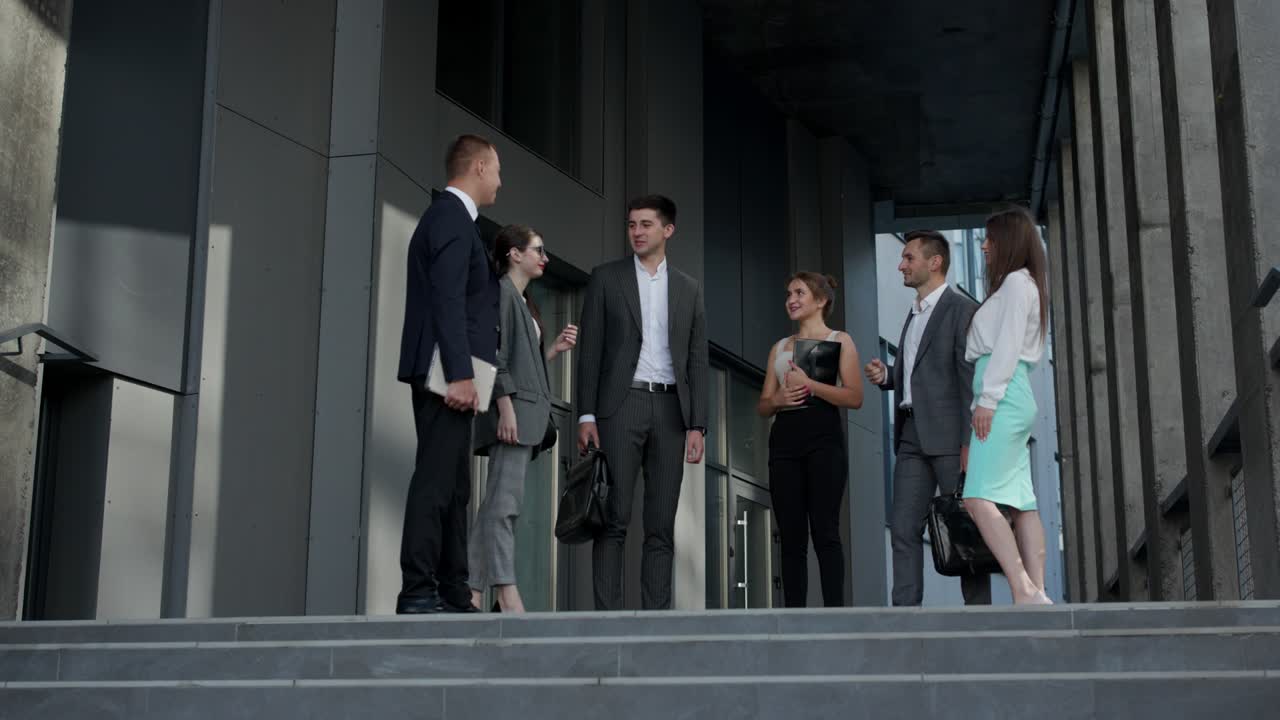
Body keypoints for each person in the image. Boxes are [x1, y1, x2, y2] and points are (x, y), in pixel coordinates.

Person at [575, 194, 709, 610]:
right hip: (621, 406)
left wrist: (697, 424)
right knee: (613, 519)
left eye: (646, 224)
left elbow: (697, 360)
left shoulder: (689, 289)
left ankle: (656, 621)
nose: (636, 232)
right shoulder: (605, 277)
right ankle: (607, 621)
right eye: (632, 224)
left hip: (672, 411)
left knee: (661, 526)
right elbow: (591, 352)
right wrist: (586, 413)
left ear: (667, 230)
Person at [394, 135, 502, 614]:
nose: (500, 181)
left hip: (454, 374)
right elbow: (448, 300)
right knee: (436, 483)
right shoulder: (452, 221)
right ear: (478, 167)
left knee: (456, 485)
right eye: (497, 171)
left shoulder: (452, 220)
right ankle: (418, 590)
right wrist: (459, 374)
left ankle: (453, 589)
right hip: (447, 375)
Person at [864, 230, 992, 607]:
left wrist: (970, 443)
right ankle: (905, 617)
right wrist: (888, 376)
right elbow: (918, 373)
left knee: (965, 528)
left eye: (908, 258)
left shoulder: (961, 309)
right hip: (911, 436)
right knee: (903, 529)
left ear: (934, 262)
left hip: (952, 439)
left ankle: (979, 617)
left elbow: (969, 380)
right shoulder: (915, 312)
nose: (901, 265)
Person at [469, 225, 577, 613]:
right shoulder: (500, 293)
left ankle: (473, 591)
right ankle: (505, 589)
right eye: (538, 250)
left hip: (525, 415)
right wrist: (506, 407)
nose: (544, 258)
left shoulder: (521, 299)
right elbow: (494, 357)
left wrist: (552, 350)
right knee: (504, 507)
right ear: (515, 254)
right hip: (511, 417)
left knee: (497, 505)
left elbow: (521, 362)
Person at [962, 207, 1052, 605]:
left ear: (1008, 243)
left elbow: (1008, 346)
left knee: (977, 496)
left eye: (990, 240)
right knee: (1021, 500)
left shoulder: (1016, 284)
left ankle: (1022, 587)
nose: (984, 246)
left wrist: (988, 399)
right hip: (1012, 391)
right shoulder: (1026, 284)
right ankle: (1036, 591)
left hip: (1002, 392)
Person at [756, 273, 863, 607]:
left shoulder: (839, 339)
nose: (791, 299)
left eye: (799, 292)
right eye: (788, 293)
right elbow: (763, 404)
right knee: (790, 536)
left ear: (821, 301)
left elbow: (855, 396)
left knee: (825, 531)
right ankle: (793, 617)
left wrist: (811, 385)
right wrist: (778, 401)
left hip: (823, 438)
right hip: (784, 439)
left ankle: (834, 615)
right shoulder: (779, 347)